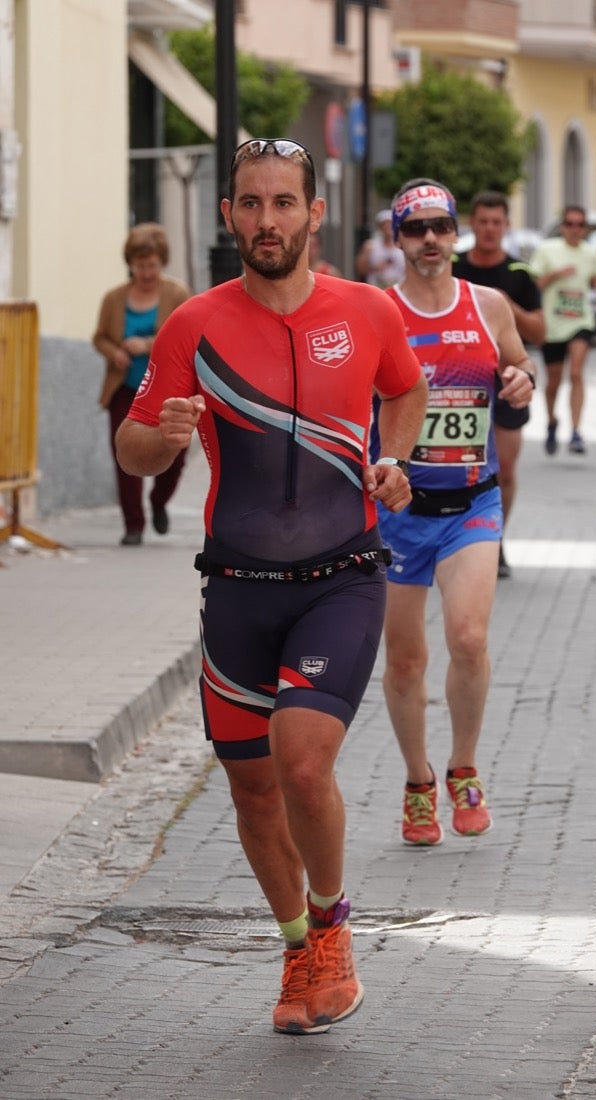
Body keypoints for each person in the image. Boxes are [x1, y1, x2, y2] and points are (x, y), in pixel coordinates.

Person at [115, 138, 428, 1035]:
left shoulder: (366, 309)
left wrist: (393, 458)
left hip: (342, 578)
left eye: (283, 203)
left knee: (300, 762)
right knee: (252, 789)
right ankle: (296, 944)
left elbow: (405, 390)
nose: (266, 220)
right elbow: (132, 449)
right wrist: (165, 435)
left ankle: (331, 928)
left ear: (313, 213)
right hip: (238, 589)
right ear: (228, 216)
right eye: (250, 204)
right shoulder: (194, 324)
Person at [373, 177, 535, 847]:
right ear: (399, 239)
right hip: (397, 513)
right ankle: (418, 782)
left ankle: (462, 767)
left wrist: (520, 382)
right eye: (416, 229)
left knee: (467, 638)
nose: (431, 239)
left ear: (456, 232)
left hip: (472, 503)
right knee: (405, 662)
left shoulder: (489, 305)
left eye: (441, 226)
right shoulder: (379, 312)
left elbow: (518, 371)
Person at [453, 191, 545, 579]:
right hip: (456, 384)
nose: (489, 229)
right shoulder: (452, 267)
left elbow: (540, 332)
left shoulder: (519, 273)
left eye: (497, 222)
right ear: (472, 224)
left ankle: (496, 539)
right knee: (455, 467)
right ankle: (457, 540)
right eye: (483, 221)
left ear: (506, 226)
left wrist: (509, 307)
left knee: (503, 471)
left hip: (505, 384)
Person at [92, 223, 192, 545]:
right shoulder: (114, 298)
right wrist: (115, 353)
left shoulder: (177, 294)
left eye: (152, 265)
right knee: (124, 455)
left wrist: (148, 345)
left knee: (175, 453)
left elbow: (188, 338)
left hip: (167, 389)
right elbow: (100, 337)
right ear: (130, 264)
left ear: (162, 262)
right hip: (124, 388)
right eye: (140, 265)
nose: (146, 272)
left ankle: (159, 501)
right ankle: (133, 525)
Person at [530, 204, 596, 455]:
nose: (575, 229)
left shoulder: (591, 253)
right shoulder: (547, 250)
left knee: (576, 373)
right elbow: (534, 285)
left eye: (580, 224)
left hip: (580, 321)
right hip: (552, 325)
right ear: (562, 227)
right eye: (570, 224)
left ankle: (576, 431)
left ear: (585, 228)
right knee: (553, 382)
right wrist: (556, 275)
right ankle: (552, 421)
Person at [354, 208, 406, 288]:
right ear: (380, 227)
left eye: (391, 224)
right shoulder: (370, 246)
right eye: (385, 224)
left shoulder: (404, 246)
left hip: (398, 289)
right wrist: (373, 268)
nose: (388, 227)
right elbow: (360, 269)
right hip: (376, 288)